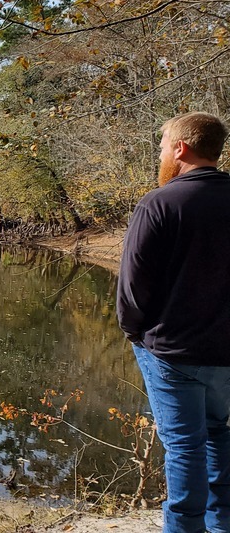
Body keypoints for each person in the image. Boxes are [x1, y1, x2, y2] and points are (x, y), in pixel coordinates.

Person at [118, 111, 230, 533]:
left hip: (172, 352)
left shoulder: (160, 202)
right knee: (218, 432)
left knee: (185, 445)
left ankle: (185, 528)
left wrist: (138, 336)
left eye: (163, 146)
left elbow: (132, 288)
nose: (161, 153)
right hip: (226, 353)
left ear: (181, 149)